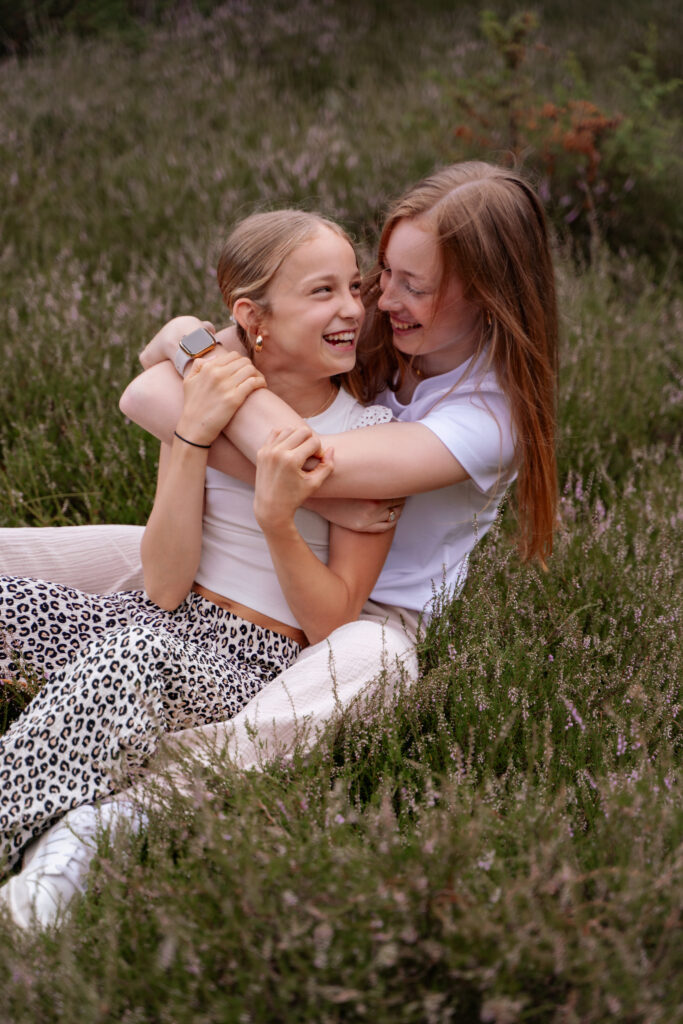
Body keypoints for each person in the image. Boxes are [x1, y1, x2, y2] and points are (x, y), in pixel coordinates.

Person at [1, 160, 558, 927]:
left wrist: (215, 413)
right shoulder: (364, 335)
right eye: (379, 276)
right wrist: (209, 394)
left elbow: (304, 462)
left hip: (357, 619)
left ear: (489, 291)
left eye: (414, 286)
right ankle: (104, 706)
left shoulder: (487, 418)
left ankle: (126, 803)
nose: (381, 302)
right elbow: (159, 368)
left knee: (376, 665)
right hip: (229, 565)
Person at [0, 209, 396, 925]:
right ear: (254, 316)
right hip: (160, 615)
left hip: (249, 657)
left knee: (130, 656)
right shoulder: (209, 391)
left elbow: (333, 622)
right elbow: (162, 585)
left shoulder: (370, 436)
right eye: (322, 292)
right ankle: (76, 718)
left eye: (355, 287)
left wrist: (281, 520)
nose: (350, 310)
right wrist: (190, 434)